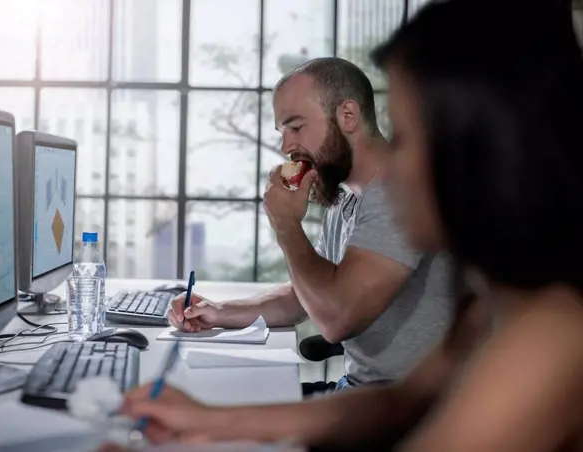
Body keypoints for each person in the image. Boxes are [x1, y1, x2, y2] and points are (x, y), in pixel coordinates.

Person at [104, 0, 583, 450]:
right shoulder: (487, 307)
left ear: (476, 150)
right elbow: (394, 402)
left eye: (409, 134)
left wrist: (287, 229)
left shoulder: (550, 338)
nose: (394, 165)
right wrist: (208, 420)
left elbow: (335, 318)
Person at [171, 57, 452, 393]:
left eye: (296, 127)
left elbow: (336, 318)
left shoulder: (400, 191)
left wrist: (287, 227)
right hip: (361, 393)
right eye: (283, 132)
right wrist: (218, 312)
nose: (286, 146)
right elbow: (309, 293)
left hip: (413, 411)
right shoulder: (347, 198)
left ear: (347, 116)